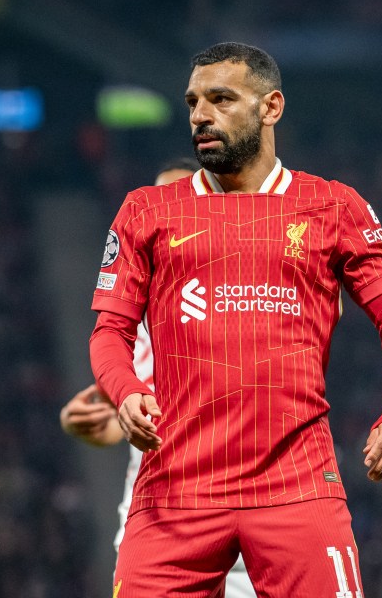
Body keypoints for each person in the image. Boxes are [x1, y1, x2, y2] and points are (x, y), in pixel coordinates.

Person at [89, 42, 382, 597]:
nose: (201, 114)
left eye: (221, 99)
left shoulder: (333, 208)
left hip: (296, 487)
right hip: (176, 490)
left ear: (271, 107)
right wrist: (125, 391)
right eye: (193, 101)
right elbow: (110, 332)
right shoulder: (145, 211)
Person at [62, 159, 257, 598]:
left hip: (246, 526)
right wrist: (100, 425)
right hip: (154, 521)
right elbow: (136, 416)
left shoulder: (249, 297)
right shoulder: (131, 322)